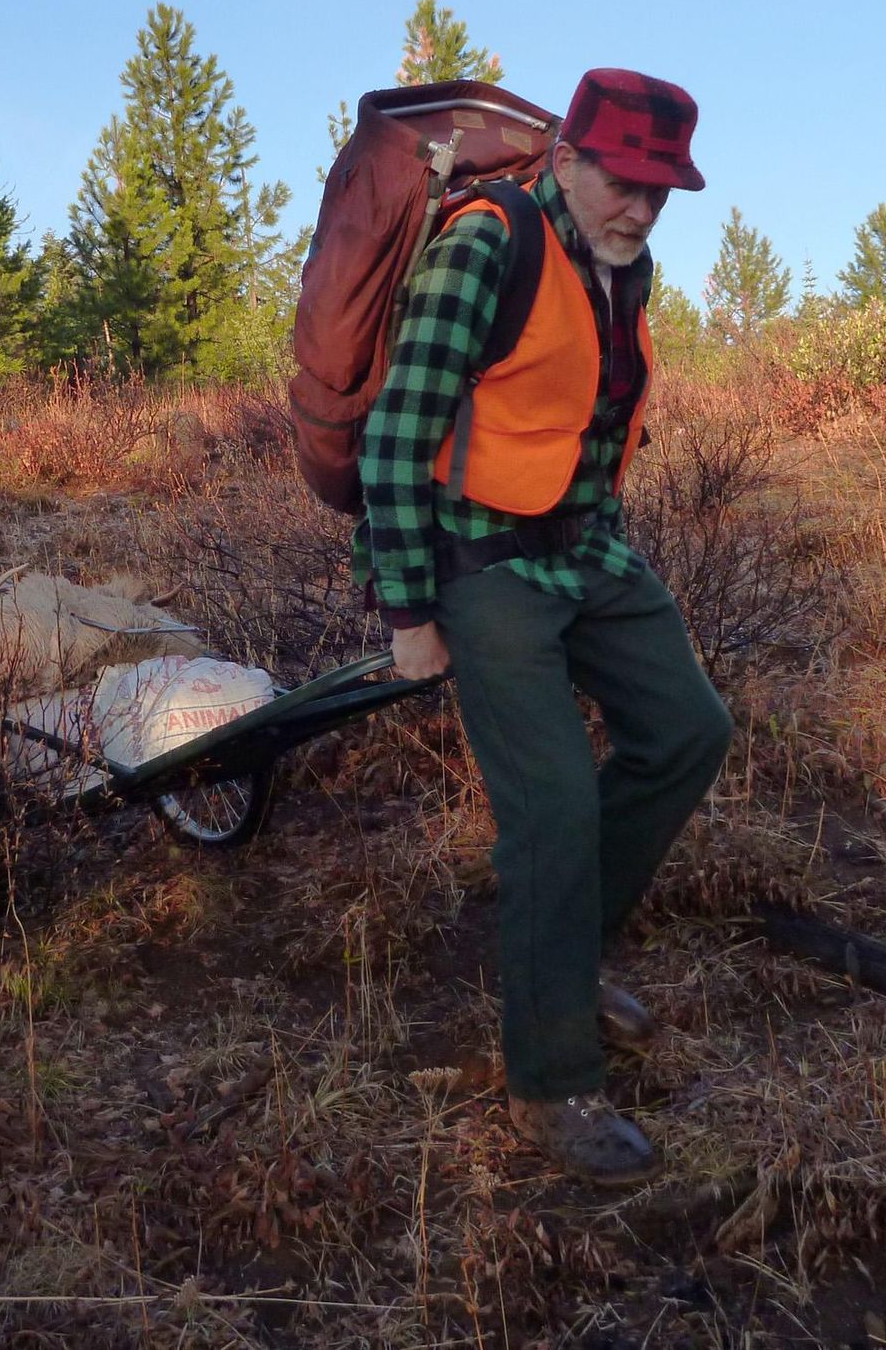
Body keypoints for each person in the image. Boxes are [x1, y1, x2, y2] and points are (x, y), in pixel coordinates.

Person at [357, 68, 733, 1186]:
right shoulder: (487, 243)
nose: (640, 208)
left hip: (585, 546)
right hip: (483, 558)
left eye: (660, 192)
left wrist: (608, 541)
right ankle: (549, 1077)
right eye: (624, 181)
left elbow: (592, 420)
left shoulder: (629, 265)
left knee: (690, 733)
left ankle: (558, 957)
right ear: (567, 159)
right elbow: (397, 433)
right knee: (555, 805)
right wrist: (411, 611)